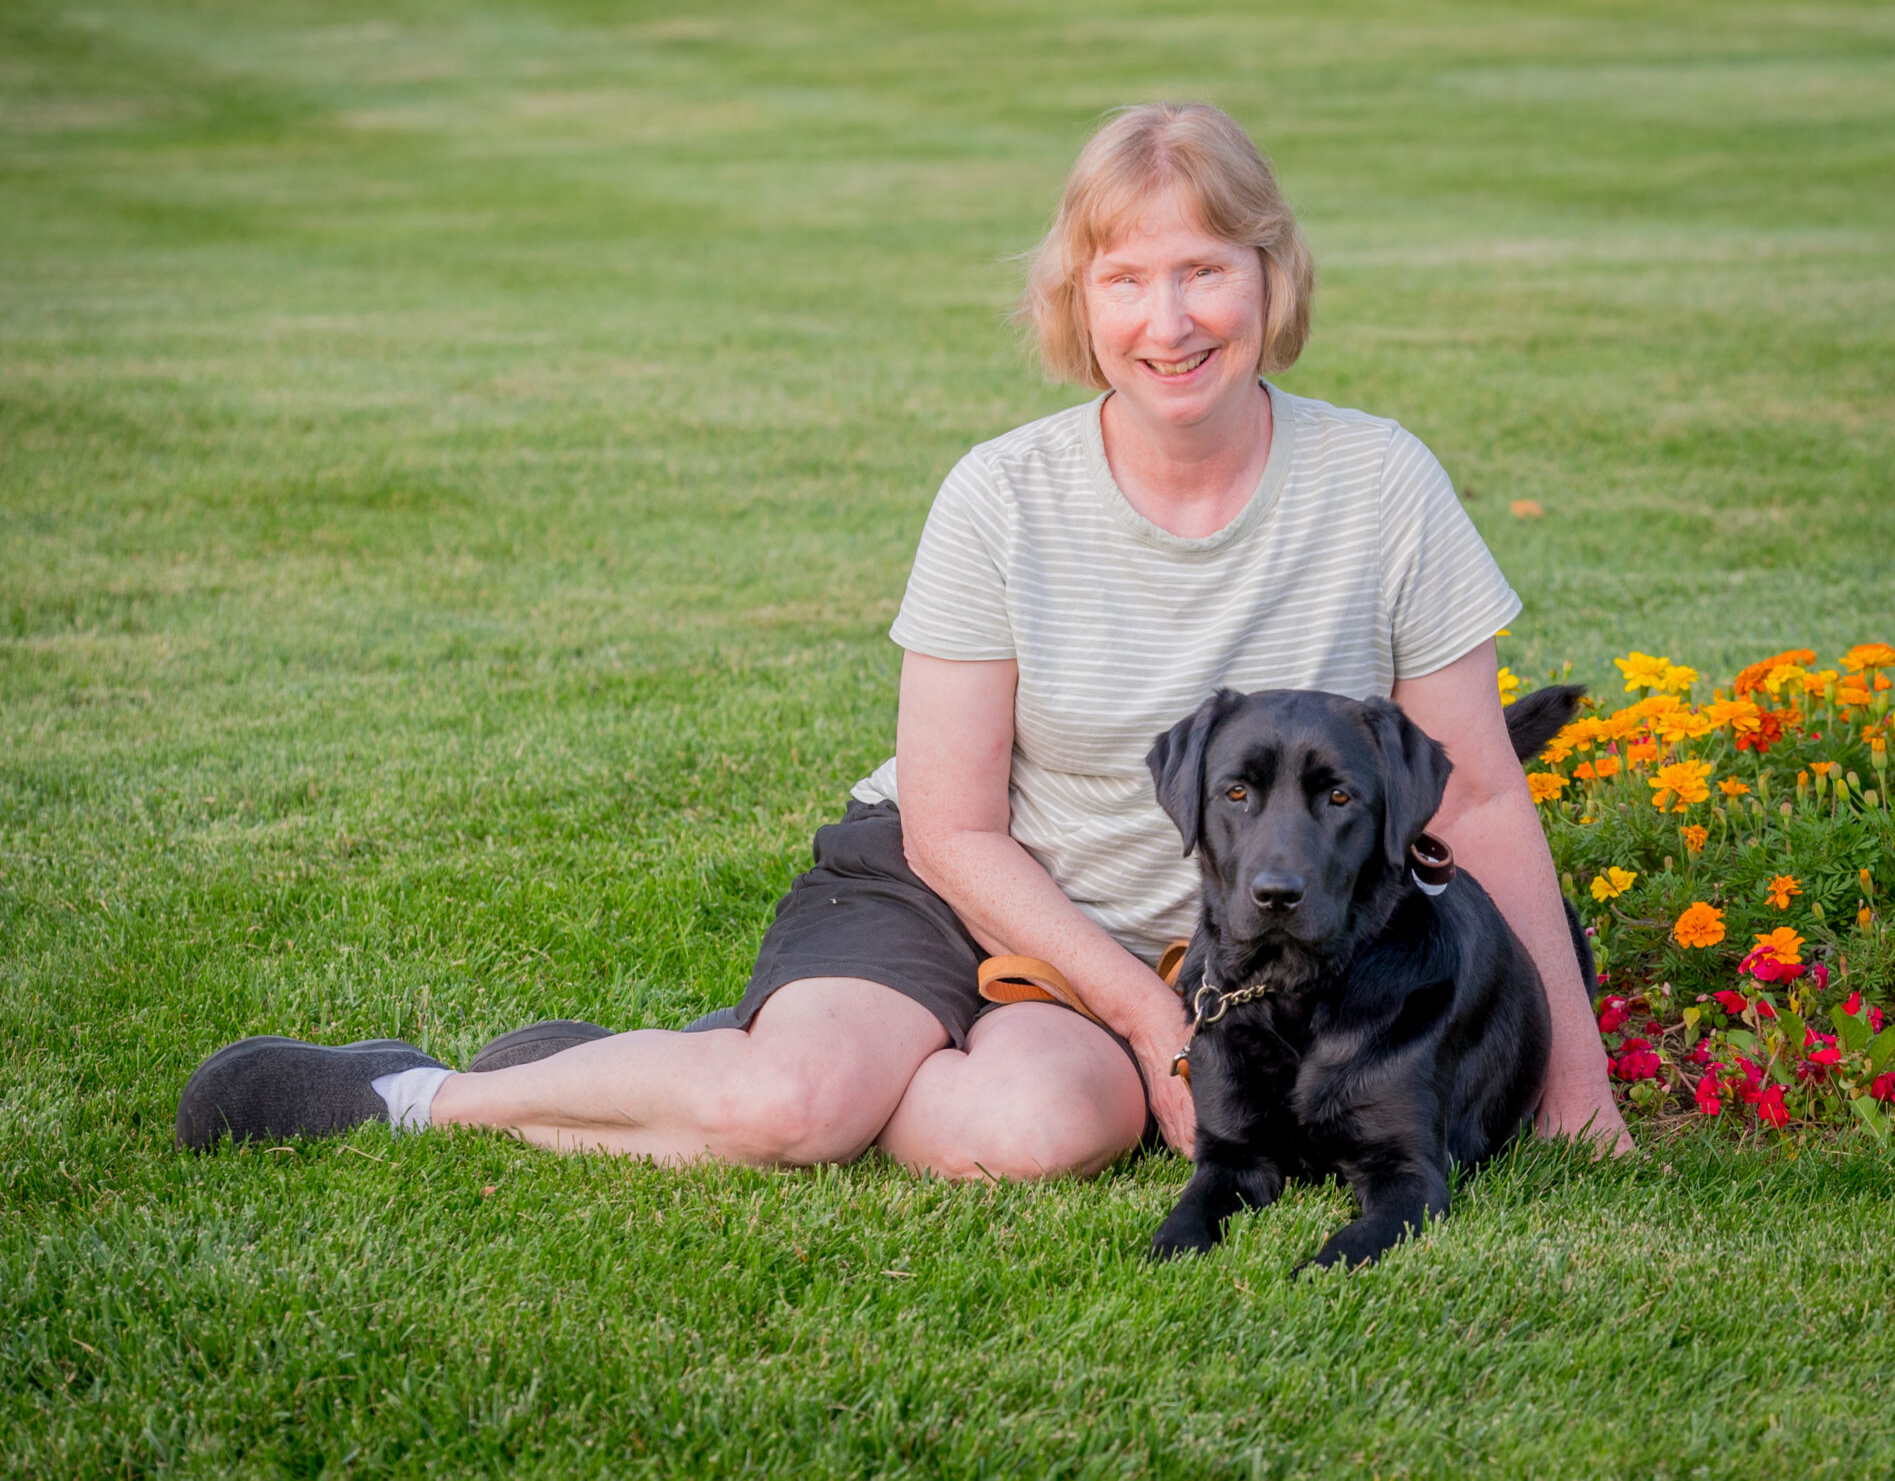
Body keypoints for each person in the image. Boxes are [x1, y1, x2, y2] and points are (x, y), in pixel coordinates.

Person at [176, 102, 1629, 1174]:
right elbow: (952, 829)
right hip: (958, 888)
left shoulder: (1381, 482)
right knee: (792, 1110)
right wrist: (1149, 1018)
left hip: (1199, 944)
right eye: (1126, 277)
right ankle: (420, 1091)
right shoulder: (1001, 493)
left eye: (1206, 270)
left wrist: (1579, 1092)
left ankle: (726, 1058)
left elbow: (1484, 793)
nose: (1170, 319)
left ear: (1272, 277)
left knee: (1013, 1136)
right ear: (1078, 297)